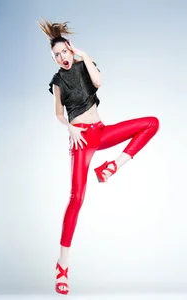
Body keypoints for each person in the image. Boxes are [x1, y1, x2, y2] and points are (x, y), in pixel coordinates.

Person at [37, 17, 159, 295]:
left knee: (151, 123)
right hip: (81, 139)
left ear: (70, 48)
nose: (60, 58)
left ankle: (113, 166)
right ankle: (62, 266)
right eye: (56, 56)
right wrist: (69, 127)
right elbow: (58, 112)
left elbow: (99, 82)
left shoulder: (82, 65)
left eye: (63, 52)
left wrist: (85, 55)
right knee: (76, 198)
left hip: (101, 131)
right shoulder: (57, 81)